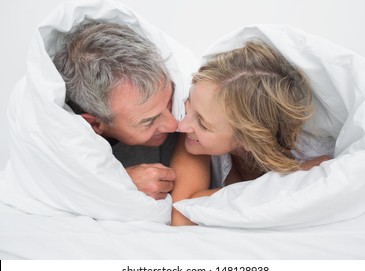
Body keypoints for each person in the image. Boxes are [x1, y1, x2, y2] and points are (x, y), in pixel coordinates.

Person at [170, 41, 330, 225]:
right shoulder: (193, 135)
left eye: (203, 125)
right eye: (188, 103)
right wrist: (282, 183)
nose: (181, 125)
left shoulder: (313, 158)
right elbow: (182, 213)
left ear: (249, 139)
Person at [53, 19, 178, 200]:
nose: (173, 124)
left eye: (168, 100)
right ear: (95, 124)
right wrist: (119, 182)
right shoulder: (61, 146)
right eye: (149, 121)